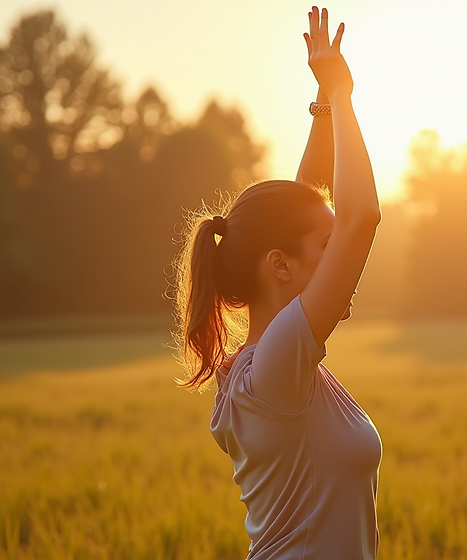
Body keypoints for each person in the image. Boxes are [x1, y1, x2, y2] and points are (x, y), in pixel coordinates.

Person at [172, 6, 382, 559]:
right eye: (325, 248)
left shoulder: (264, 364)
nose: (342, 258)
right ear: (280, 267)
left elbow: (298, 211)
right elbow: (361, 218)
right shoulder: (278, 365)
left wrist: (320, 109)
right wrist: (342, 94)